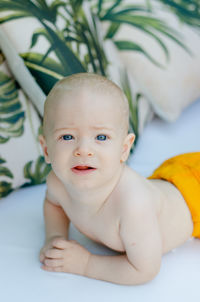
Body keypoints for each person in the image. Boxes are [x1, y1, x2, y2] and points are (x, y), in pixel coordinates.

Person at [39, 72, 198, 285]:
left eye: (101, 137)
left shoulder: (132, 204)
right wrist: (55, 237)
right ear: (46, 149)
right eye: (67, 137)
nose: (84, 150)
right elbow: (53, 204)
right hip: (171, 180)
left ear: (124, 149)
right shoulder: (57, 184)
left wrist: (85, 263)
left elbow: (144, 270)